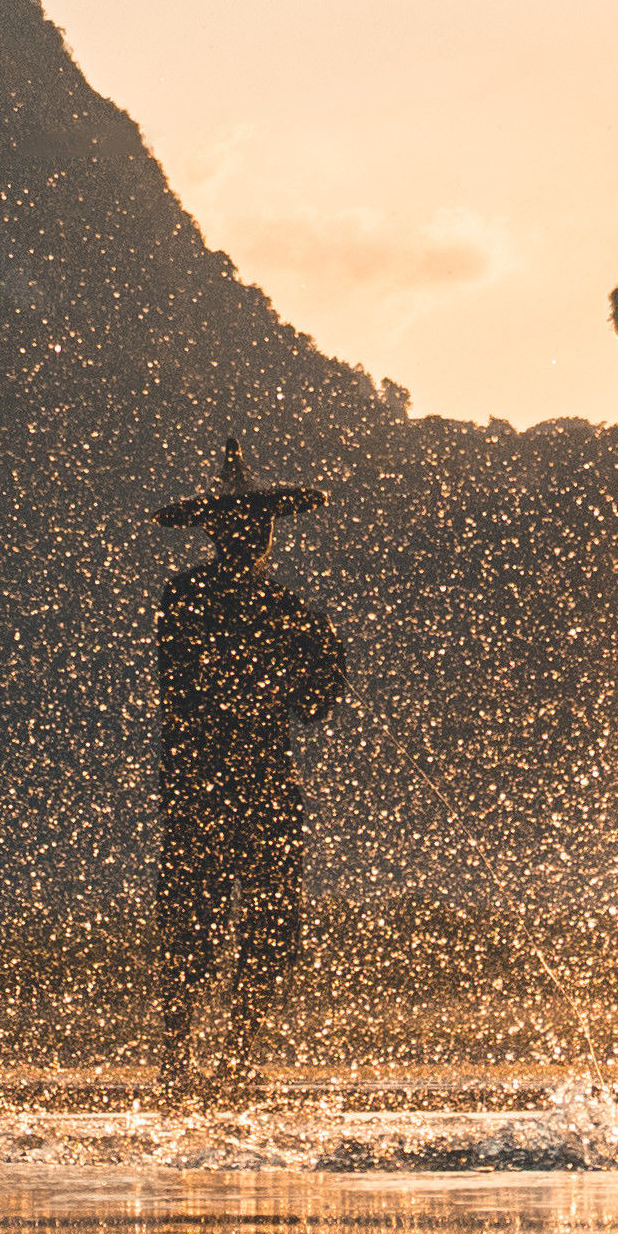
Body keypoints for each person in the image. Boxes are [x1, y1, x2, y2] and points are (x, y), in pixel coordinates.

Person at [154, 439, 346, 1098]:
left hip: (233, 788)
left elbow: (315, 702)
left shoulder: (285, 612)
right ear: (216, 533)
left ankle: (231, 1056)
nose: (252, 539)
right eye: (242, 528)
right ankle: (185, 1060)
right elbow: (190, 691)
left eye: (257, 528)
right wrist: (305, 662)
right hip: (217, 788)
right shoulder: (192, 603)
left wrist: (323, 659)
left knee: (257, 927)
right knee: (200, 930)